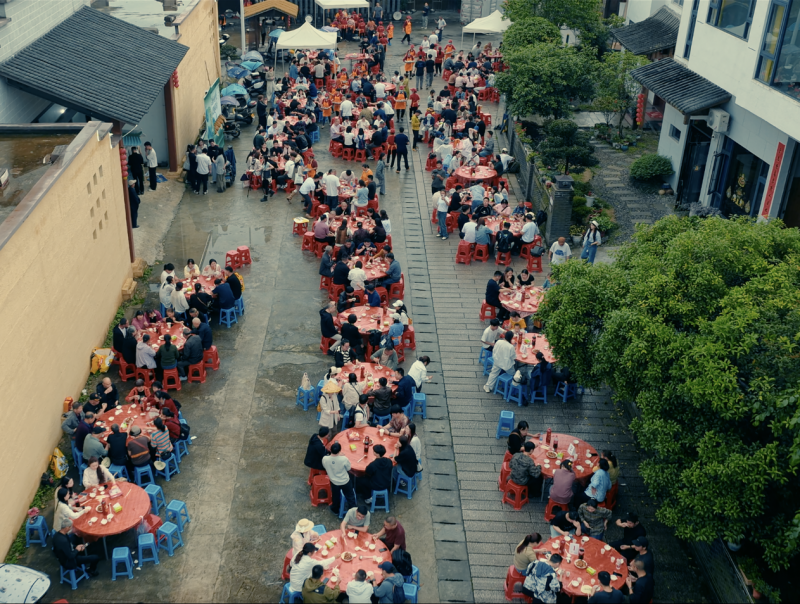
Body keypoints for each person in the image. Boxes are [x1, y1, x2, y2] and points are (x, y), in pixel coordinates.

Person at [322, 442, 356, 513]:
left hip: (334, 482)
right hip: (345, 481)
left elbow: (325, 466)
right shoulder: (344, 459)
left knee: (335, 496)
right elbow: (348, 468)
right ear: (340, 451)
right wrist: (340, 456)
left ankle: (335, 510)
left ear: (331, 450)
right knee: (350, 496)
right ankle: (352, 511)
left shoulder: (325, 459)